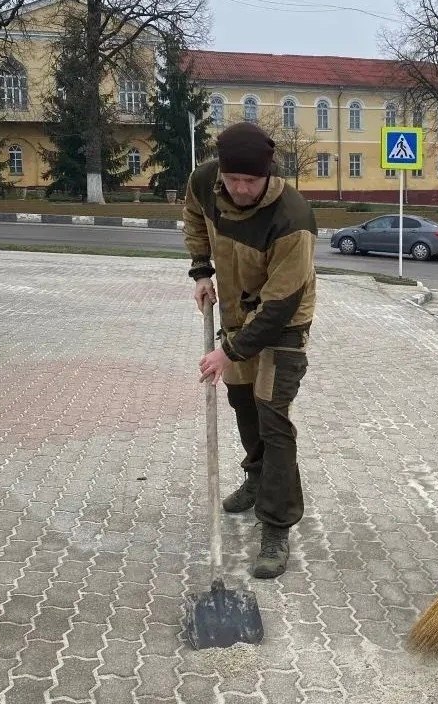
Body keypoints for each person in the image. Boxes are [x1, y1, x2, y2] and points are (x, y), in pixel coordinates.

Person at [183, 121, 317, 580]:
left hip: (284, 325)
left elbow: (281, 304)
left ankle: (277, 525)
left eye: (250, 181)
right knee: (242, 403)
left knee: (271, 414)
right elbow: (195, 220)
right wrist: (201, 271)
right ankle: (258, 478)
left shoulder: (292, 218)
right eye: (233, 179)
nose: (240, 189)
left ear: (268, 175)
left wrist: (229, 352)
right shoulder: (205, 181)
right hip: (237, 317)